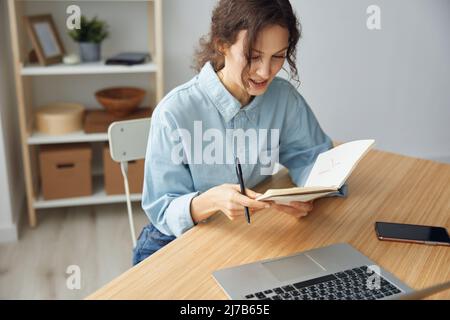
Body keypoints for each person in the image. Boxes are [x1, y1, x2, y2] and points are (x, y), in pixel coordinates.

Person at [133, 0, 346, 265]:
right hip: (173, 242)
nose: (265, 71)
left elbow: (311, 155)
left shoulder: (283, 98)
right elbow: (162, 208)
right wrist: (212, 200)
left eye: (278, 56)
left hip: (246, 235)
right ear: (222, 44)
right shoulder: (174, 112)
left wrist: (305, 193)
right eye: (254, 56)